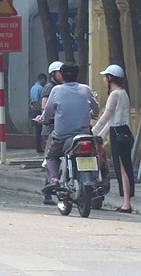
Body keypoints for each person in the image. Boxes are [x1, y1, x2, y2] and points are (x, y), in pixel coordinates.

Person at [39, 62, 97, 195]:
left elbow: (47, 111)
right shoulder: (85, 89)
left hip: (62, 136)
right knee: (95, 153)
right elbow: (95, 108)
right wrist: (92, 114)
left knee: (51, 157)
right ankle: (97, 178)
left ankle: (54, 179)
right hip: (84, 135)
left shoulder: (56, 90)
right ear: (77, 76)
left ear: (62, 76)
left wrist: (43, 119)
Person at [96, 63, 135, 212]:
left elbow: (107, 115)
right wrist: (101, 134)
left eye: (105, 77)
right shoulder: (123, 93)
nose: (104, 80)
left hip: (118, 133)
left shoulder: (115, 94)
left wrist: (93, 131)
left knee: (123, 169)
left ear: (110, 78)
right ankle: (127, 201)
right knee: (125, 167)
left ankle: (126, 203)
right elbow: (113, 120)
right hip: (123, 131)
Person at [28, 73, 47, 154]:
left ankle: (38, 146)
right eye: (45, 80)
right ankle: (39, 147)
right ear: (42, 79)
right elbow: (36, 100)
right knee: (40, 130)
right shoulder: (40, 88)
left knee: (37, 130)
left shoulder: (33, 88)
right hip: (38, 110)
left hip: (34, 109)